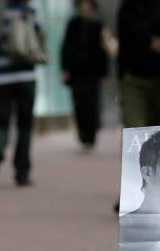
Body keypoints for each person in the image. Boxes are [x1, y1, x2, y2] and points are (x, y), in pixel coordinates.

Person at [114, 0, 160, 212]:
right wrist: (121, 79)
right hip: (134, 80)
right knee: (134, 136)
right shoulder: (128, 7)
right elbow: (124, 44)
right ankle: (133, 194)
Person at [0, 0, 44, 186]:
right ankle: (22, 172)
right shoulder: (28, 10)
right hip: (26, 74)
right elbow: (38, 37)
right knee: (25, 125)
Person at [61, 0, 109, 151]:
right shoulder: (72, 24)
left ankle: (91, 136)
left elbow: (103, 52)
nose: (85, 11)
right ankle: (82, 133)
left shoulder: (98, 25)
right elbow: (65, 47)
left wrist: (103, 73)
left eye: (88, 8)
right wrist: (65, 69)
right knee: (79, 103)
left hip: (93, 73)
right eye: (83, 8)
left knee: (92, 104)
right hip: (76, 72)